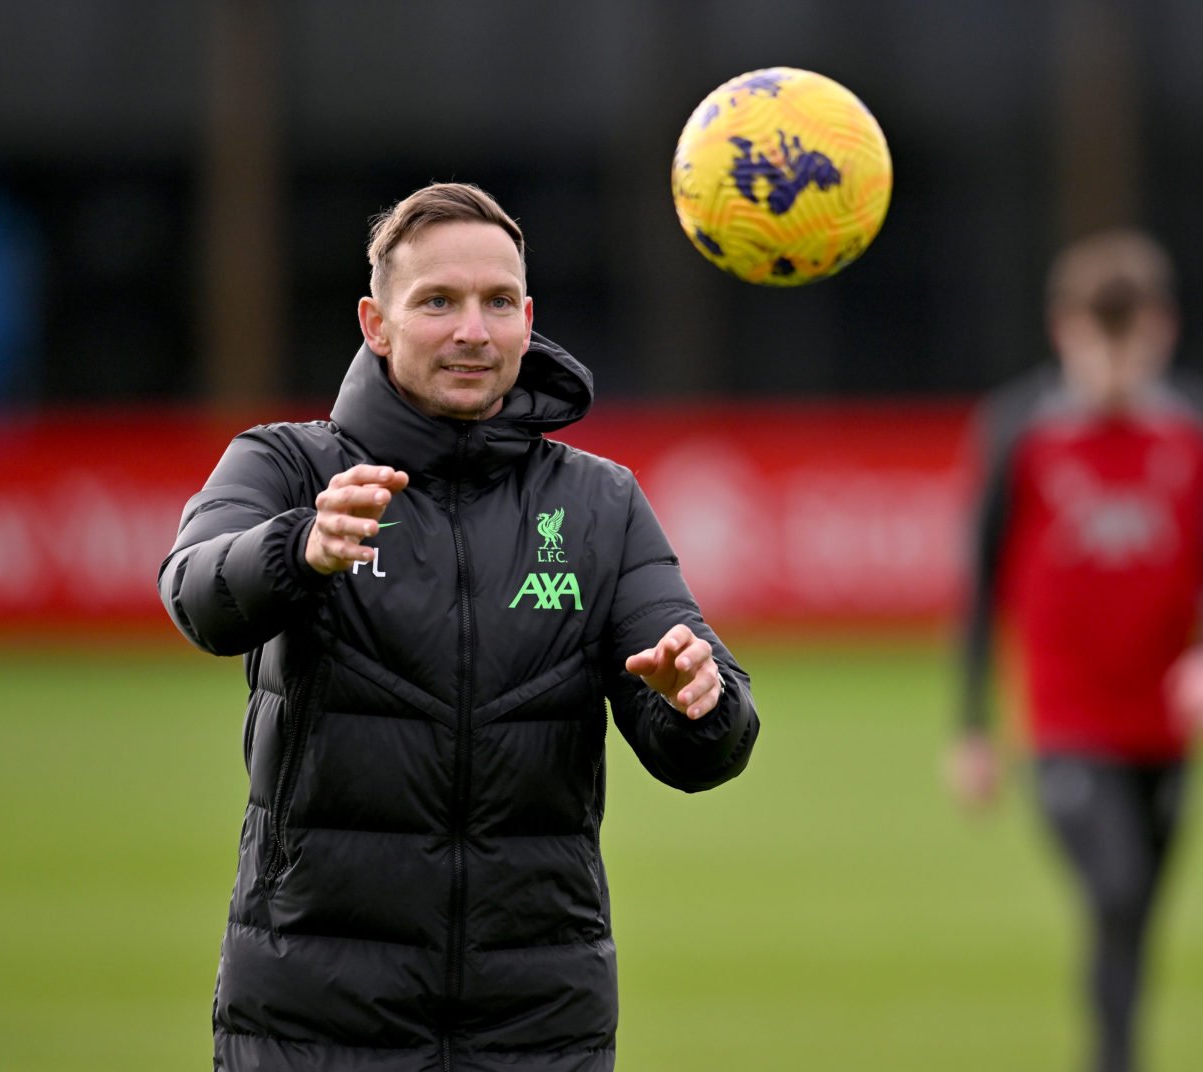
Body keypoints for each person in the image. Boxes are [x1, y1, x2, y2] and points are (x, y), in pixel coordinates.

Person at [158, 181, 760, 1072]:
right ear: (376, 322)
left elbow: (707, 736)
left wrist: (697, 703)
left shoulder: (598, 503)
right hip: (314, 1019)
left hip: (537, 1022)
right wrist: (299, 547)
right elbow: (196, 595)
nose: (472, 330)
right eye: (437, 301)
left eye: (497, 302)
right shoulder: (285, 464)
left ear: (528, 318)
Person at [947, 228, 1203, 1072]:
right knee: (1114, 890)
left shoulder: (1197, 430)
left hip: (1166, 722)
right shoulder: (1019, 432)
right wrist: (973, 728)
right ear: (1063, 330)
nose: (1114, 366)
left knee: (1136, 916)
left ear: (1164, 329)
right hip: (1068, 719)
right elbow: (981, 586)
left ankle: (1117, 1054)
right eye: (1098, 342)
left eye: (1131, 342)